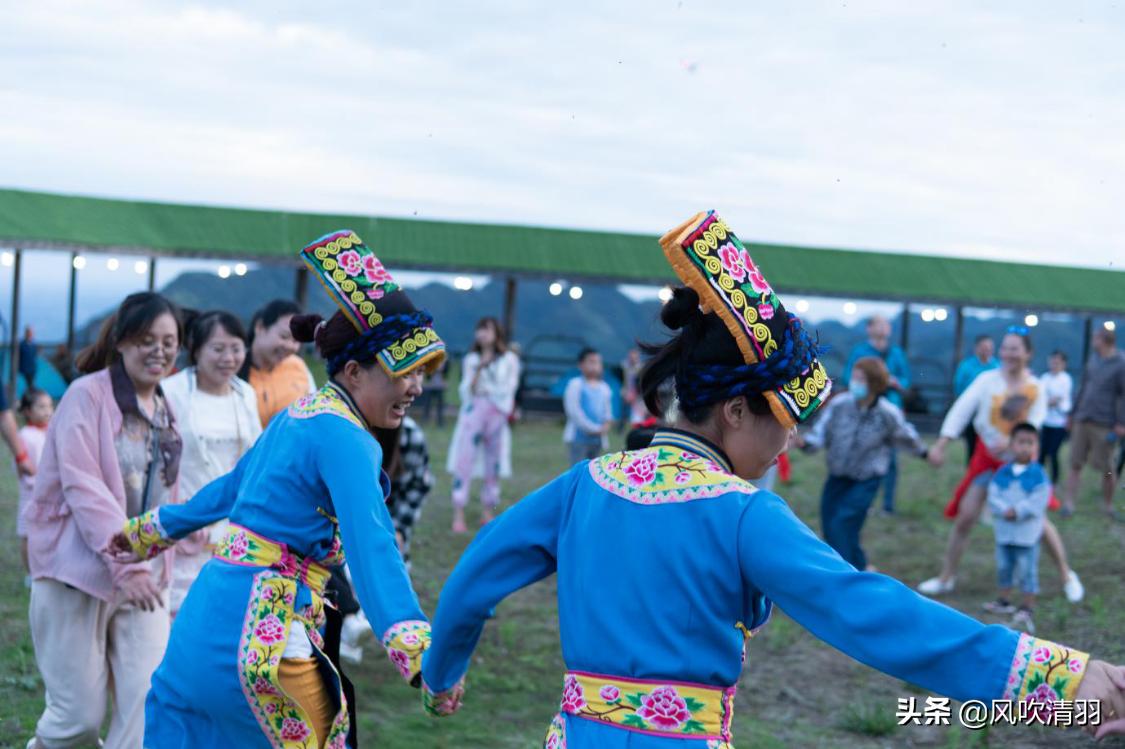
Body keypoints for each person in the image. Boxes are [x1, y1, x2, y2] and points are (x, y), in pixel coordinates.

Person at [419, 211, 1125, 745]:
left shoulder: (584, 484)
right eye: (784, 417)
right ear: (733, 410)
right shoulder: (740, 512)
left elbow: (476, 570)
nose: (790, 437)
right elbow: (869, 609)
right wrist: (1059, 677)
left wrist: (441, 674)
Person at [106, 230, 445, 749]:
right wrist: (421, 655)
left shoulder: (299, 415)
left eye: (422, 373)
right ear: (354, 372)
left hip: (207, 619)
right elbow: (372, 547)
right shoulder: (348, 437)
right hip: (263, 636)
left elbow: (228, 489)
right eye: (404, 372)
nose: (416, 388)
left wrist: (146, 533)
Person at [22, 292, 183, 749]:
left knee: (146, 707)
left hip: (145, 581)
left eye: (169, 341)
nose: (159, 350)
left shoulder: (165, 408)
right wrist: (127, 566)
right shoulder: (85, 396)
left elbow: (165, 490)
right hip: (77, 574)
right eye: (146, 339)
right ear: (120, 341)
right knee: (78, 719)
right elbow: (84, 488)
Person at [918, 328, 1084, 604]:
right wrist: (942, 443)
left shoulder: (1035, 387)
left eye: (1015, 348)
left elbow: (1035, 423)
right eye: (1005, 348)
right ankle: (946, 577)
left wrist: (1010, 445)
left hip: (1018, 465)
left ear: (1028, 353)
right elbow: (963, 409)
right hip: (986, 459)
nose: (1008, 353)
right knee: (966, 517)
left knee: (1038, 522)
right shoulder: (987, 380)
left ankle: (1067, 576)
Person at [161, 311, 262, 617]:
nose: (228, 358)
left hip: (234, 527)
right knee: (177, 619)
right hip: (185, 521)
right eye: (218, 349)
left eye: (236, 348)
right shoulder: (171, 391)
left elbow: (255, 459)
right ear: (196, 350)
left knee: (222, 617)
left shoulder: (245, 393)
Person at [799, 356, 928, 571]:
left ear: (874, 383)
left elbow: (906, 436)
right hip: (837, 476)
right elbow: (820, 432)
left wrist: (925, 453)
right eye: (854, 376)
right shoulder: (840, 405)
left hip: (866, 479)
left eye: (861, 378)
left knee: (843, 524)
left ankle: (846, 577)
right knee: (831, 528)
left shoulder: (887, 413)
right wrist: (804, 443)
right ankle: (860, 567)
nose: (855, 382)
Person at [447, 317, 520, 533]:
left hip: (497, 411)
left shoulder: (509, 359)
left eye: (487, 330)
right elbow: (467, 389)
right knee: (465, 459)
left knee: (493, 461)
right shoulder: (471, 359)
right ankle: (458, 511)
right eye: (480, 329)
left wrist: (496, 398)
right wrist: (480, 368)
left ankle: (488, 509)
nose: (482, 334)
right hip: (474, 411)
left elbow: (509, 387)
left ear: (496, 333)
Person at [983, 423, 1049, 635]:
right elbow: (993, 495)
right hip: (1005, 532)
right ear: (1011, 445)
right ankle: (1004, 600)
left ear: (1036, 446)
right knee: (1004, 566)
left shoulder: (1038, 474)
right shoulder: (1003, 472)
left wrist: (1018, 510)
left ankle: (1027, 606)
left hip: (1027, 535)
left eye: (1030, 443)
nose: (1025, 447)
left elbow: (1040, 499)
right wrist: (1004, 510)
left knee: (1027, 570)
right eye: (1021, 442)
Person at [841, 315, 911, 513]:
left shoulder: (896, 352)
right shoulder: (860, 352)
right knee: (862, 454)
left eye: (886, 324)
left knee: (891, 458)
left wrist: (897, 383)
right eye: (879, 324)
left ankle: (888, 505)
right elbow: (848, 376)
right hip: (864, 408)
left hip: (891, 408)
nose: (884, 328)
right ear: (869, 328)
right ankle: (862, 500)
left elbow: (906, 379)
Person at [1062, 327, 1125, 518]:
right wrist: (1072, 413)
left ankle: (1107, 505)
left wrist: (1121, 422)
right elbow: (1083, 387)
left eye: (1095, 339)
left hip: (1105, 422)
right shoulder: (1093, 360)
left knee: (1107, 468)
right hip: (1083, 418)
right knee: (1075, 463)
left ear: (1105, 341)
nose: (1093, 342)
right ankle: (1069, 503)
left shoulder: (1121, 363)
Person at [242, 299, 317, 427]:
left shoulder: (298, 365)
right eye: (284, 336)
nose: (290, 346)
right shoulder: (233, 368)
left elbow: (313, 411)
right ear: (260, 327)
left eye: (296, 340)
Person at [383, 416, 434, 570]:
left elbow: (417, 488)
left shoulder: (412, 436)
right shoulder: (353, 431)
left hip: (393, 514)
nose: (417, 391)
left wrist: (398, 530)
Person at [15, 387, 52, 576]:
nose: (48, 411)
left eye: (49, 406)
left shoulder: (50, 432)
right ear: (28, 411)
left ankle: (43, 569)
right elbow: (22, 466)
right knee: (27, 534)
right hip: (31, 492)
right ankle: (31, 573)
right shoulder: (24, 435)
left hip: (48, 492)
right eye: (41, 407)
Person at [563, 347, 613, 465]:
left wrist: (606, 425)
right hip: (578, 438)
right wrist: (593, 429)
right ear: (581, 365)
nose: (595, 366)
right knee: (578, 472)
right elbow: (574, 412)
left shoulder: (604, 388)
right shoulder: (575, 385)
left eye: (598, 362)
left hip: (598, 439)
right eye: (591, 362)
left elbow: (608, 412)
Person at [954, 335, 999, 464]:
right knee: (972, 445)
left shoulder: (997, 366)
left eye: (989, 348)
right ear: (977, 348)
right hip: (972, 412)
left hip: (991, 414)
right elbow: (959, 387)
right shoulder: (966, 366)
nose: (987, 351)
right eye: (984, 347)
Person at [1039, 350, 1073, 488]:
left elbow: (1057, 399)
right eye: (1052, 361)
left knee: (1053, 453)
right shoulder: (1044, 378)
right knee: (1041, 453)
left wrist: (1047, 401)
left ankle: (1054, 481)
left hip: (1059, 423)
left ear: (1064, 364)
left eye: (1057, 362)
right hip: (1045, 422)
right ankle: (1038, 478)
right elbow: (1040, 398)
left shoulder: (1066, 379)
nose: (1054, 364)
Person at [620, 347, 649, 427]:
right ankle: (621, 428)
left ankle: (639, 426)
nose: (632, 358)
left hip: (637, 394)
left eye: (634, 356)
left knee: (638, 412)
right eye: (631, 356)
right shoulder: (625, 366)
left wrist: (637, 393)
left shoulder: (641, 367)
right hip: (627, 392)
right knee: (624, 412)